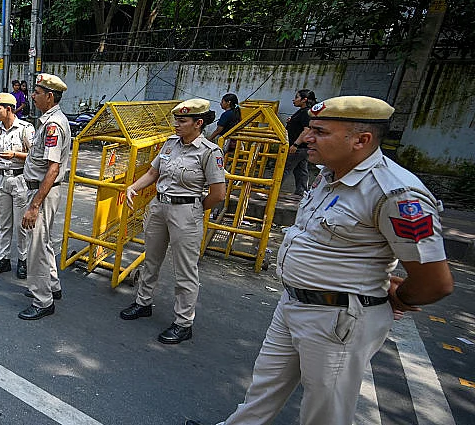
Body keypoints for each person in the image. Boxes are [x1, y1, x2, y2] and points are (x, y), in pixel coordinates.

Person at [188, 96, 453, 425]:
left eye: (320, 131)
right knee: (264, 389)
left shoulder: (396, 194)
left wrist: (398, 297)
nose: (306, 137)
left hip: (337, 318)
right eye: (310, 129)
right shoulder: (328, 175)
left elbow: (435, 282)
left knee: (325, 411)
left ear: (361, 140)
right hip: (293, 303)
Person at [120, 98, 227, 344]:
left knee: (185, 270)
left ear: (198, 123)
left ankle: (183, 322)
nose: (176, 125)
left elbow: (218, 193)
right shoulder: (170, 144)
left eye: (182, 121)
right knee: (151, 259)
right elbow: (153, 172)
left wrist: (194, 208)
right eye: (176, 120)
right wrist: (133, 187)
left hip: (186, 211)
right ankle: (143, 302)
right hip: (159, 207)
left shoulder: (209, 152)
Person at [18, 73, 71, 320]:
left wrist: (34, 205)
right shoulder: (48, 120)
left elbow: (53, 169)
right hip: (42, 189)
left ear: (50, 96)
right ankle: (52, 286)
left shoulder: (53, 125)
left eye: (37, 92)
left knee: (37, 247)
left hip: (42, 191)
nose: (32, 96)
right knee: (44, 241)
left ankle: (42, 300)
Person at [0, 92, 35, 279]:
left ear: (9, 109)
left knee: (22, 225)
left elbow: (35, 156)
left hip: (19, 180)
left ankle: (23, 260)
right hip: (0, 179)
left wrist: (16, 155)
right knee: (3, 223)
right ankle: (3, 258)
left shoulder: (25, 129)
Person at [284, 89, 317, 196]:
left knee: (284, 168)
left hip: (299, 147)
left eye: (297, 97)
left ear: (304, 100)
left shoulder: (306, 112)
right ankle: (302, 192)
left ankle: (271, 190)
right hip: (302, 148)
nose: (294, 100)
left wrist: (295, 144)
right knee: (300, 170)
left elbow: (306, 130)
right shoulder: (303, 111)